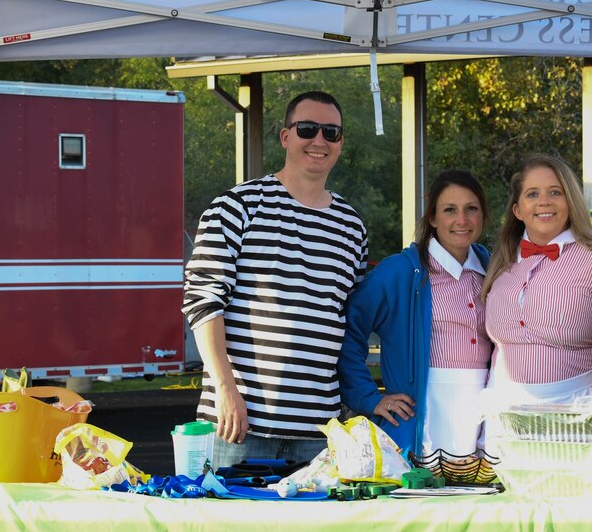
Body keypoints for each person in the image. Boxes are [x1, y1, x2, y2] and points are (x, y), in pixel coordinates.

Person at [182, 90, 369, 469]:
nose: (319, 140)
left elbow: (348, 322)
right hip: (238, 426)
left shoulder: (352, 227)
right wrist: (225, 390)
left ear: (341, 143)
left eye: (331, 132)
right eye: (307, 129)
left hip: (318, 433)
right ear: (286, 137)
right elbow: (202, 303)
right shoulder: (235, 208)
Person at [338, 169, 492, 459]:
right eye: (450, 210)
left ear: (483, 215)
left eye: (471, 209)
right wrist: (369, 397)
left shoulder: (493, 269)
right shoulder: (400, 272)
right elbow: (346, 329)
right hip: (423, 426)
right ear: (432, 218)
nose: (462, 220)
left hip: (482, 423)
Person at [481, 155, 592, 411]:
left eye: (555, 192)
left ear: (570, 202)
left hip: (579, 411)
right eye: (532, 194)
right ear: (517, 210)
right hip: (504, 413)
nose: (544, 202)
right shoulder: (500, 262)